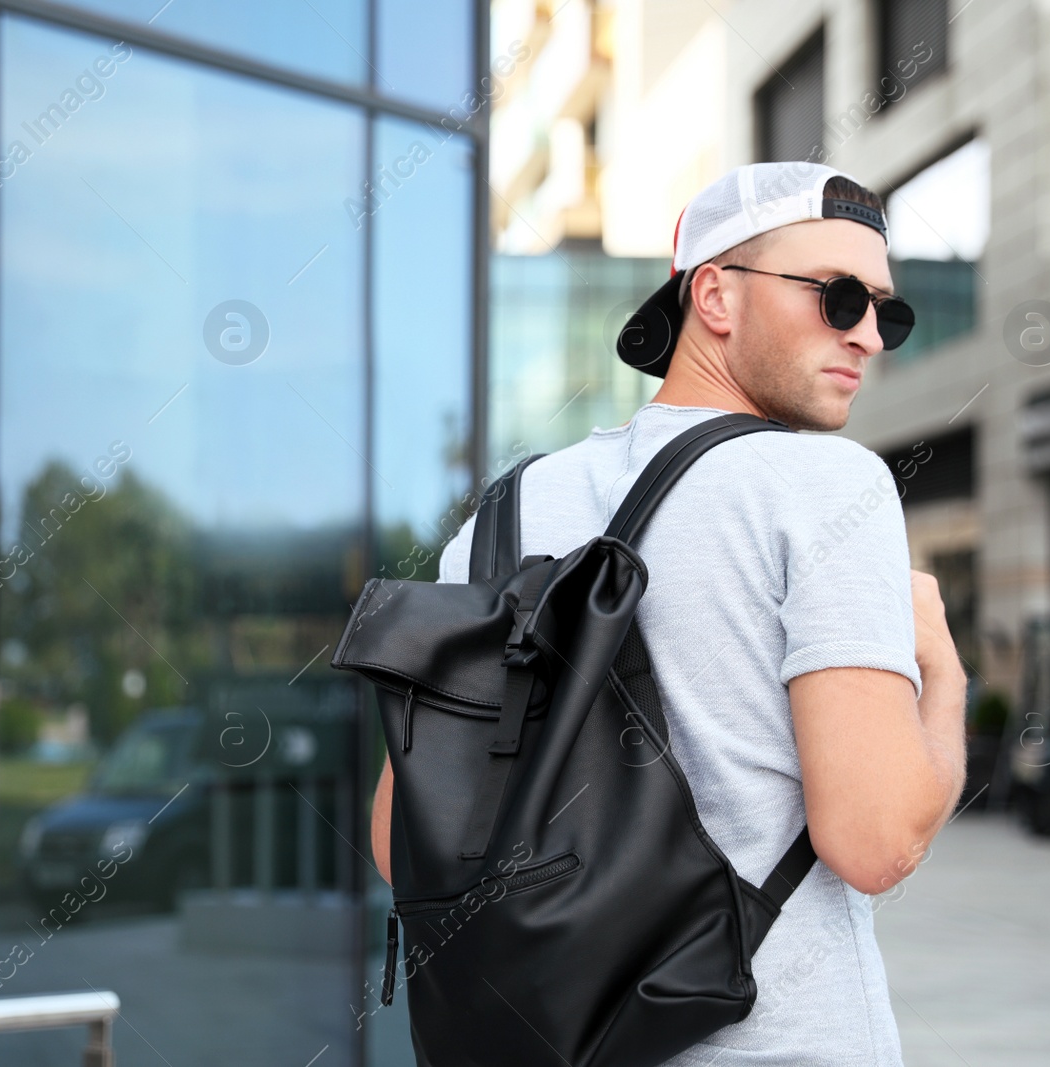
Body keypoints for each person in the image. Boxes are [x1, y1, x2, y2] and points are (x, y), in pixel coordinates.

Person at [371, 161, 967, 1065]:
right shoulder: (830, 485)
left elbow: (396, 838)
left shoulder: (503, 517)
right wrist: (945, 675)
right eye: (840, 297)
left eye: (891, 311)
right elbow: (877, 841)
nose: (872, 336)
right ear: (717, 296)